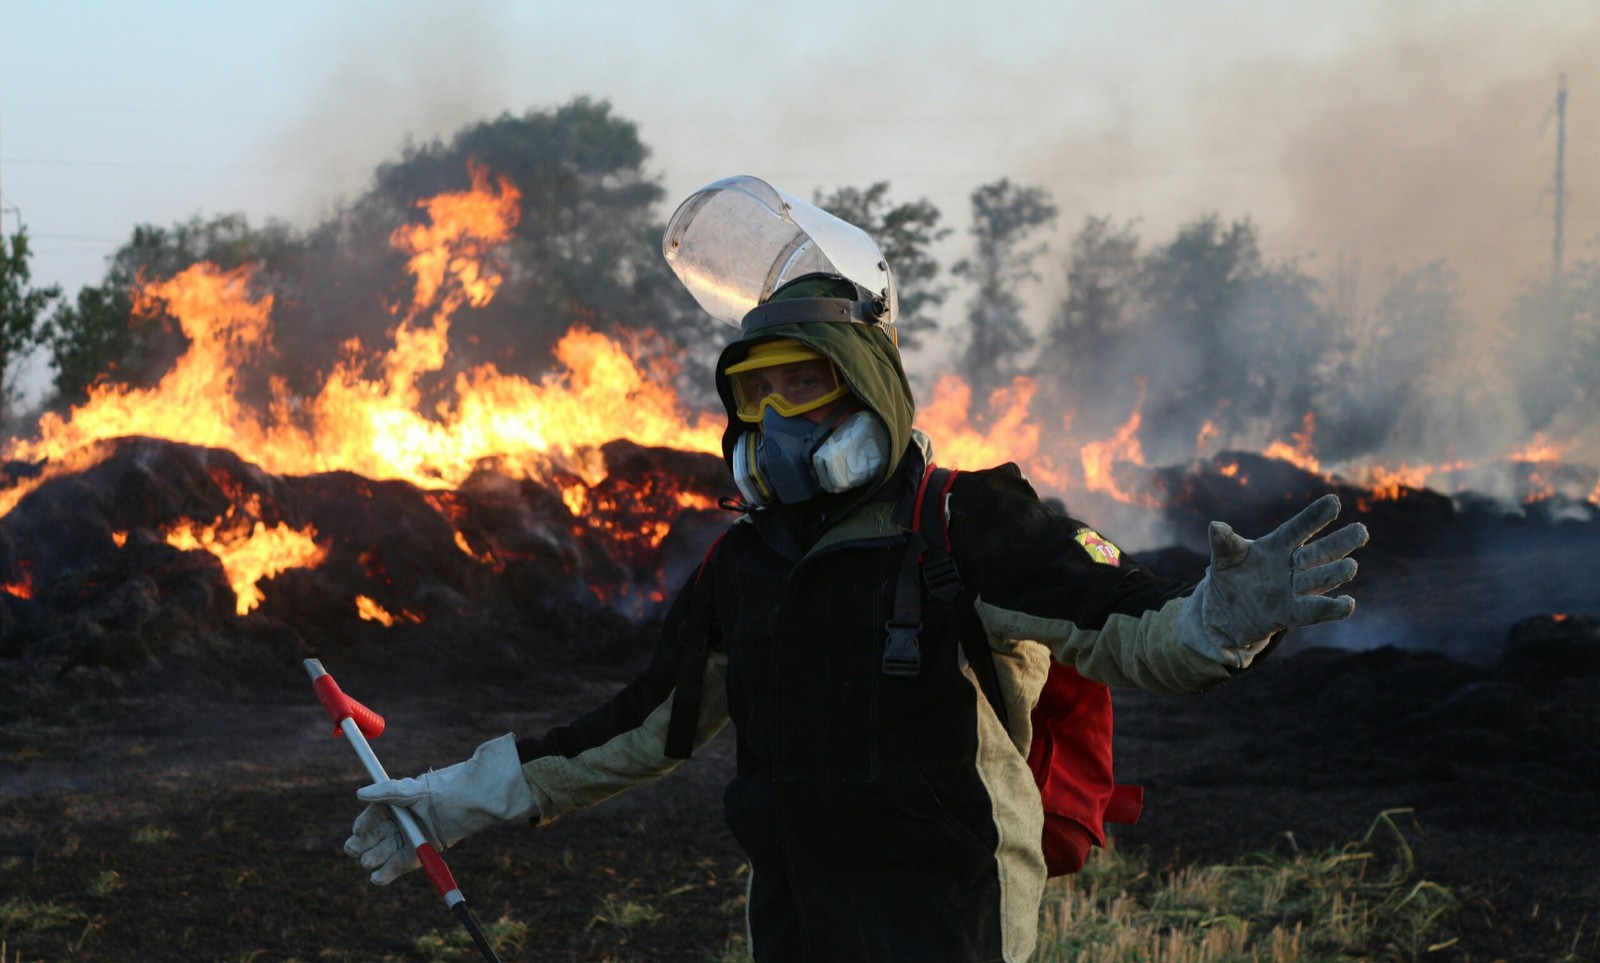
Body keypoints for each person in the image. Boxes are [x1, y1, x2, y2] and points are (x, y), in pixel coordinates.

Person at [343, 179, 1368, 962]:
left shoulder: (967, 521)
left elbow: (1125, 633)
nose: (780, 422)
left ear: (871, 390)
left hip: (952, 930)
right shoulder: (744, 566)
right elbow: (637, 729)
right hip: (795, 931)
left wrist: (1220, 623)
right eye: (760, 396)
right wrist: (449, 799)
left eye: (808, 389)